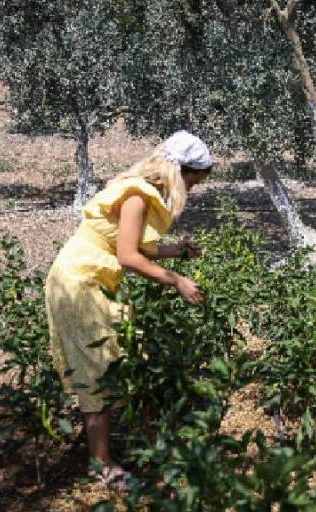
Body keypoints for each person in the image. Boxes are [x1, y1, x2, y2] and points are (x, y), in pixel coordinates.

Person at [44, 131, 212, 488]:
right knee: (98, 369)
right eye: (193, 182)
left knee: (115, 359)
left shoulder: (137, 191)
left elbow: (132, 245)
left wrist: (176, 250)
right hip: (79, 281)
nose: (192, 190)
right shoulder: (136, 196)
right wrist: (177, 280)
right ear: (180, 172)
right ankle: (101, 465)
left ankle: (120, 447)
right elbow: (129, 256)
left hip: (86, 278)